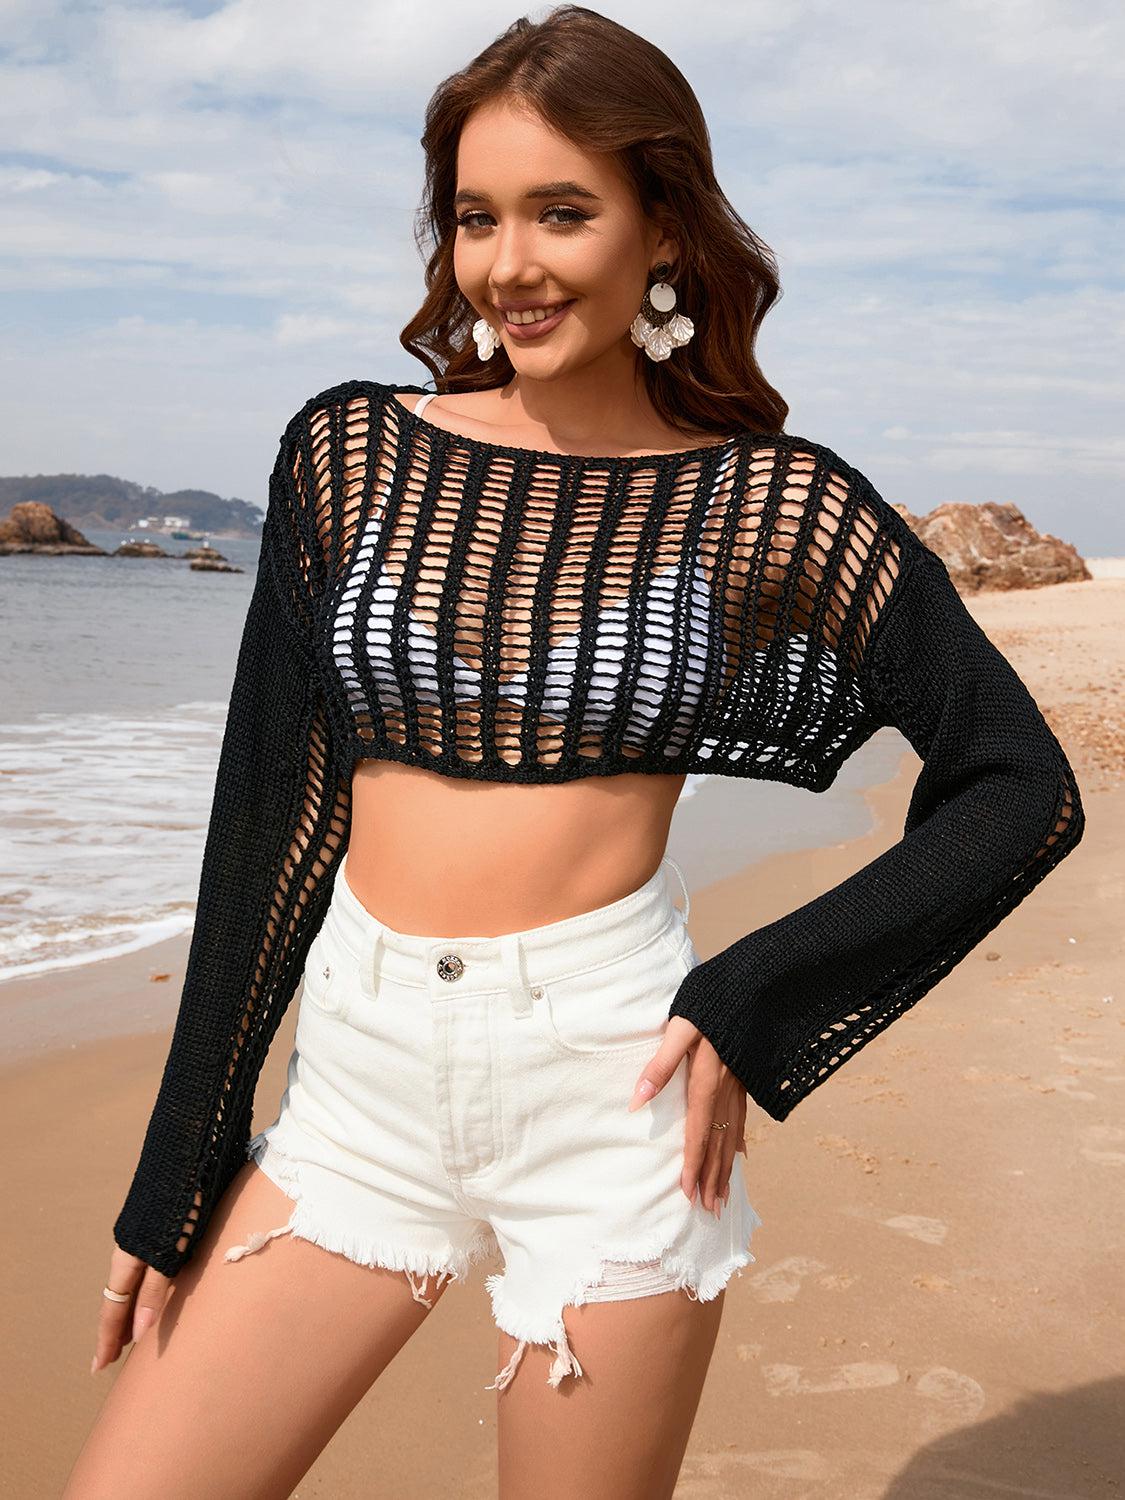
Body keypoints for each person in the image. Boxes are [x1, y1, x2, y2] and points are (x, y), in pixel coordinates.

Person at [64, 8, 1084, 1499]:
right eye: (476, 217)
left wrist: (754, 998)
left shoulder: (768, 506)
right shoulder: (347, 452)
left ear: (661, 224)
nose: (509, 264)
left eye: (561, 211)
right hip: (355, 1091)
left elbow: (1018, 786)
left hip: (612, 1090)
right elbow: (273, 813)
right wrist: (182, 1159)